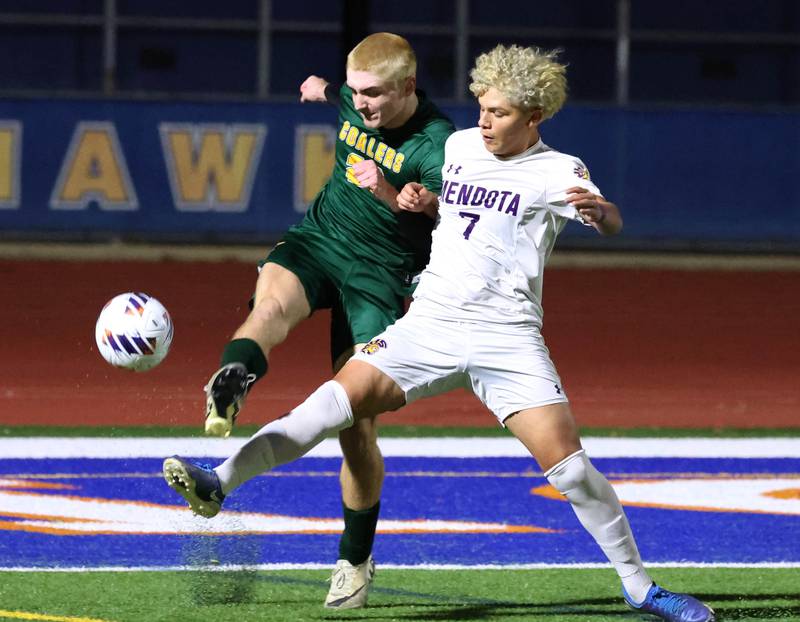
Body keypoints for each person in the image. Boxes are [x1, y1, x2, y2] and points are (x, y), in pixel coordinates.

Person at [165, 44, 715, 622]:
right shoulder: (459, 147)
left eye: (499, 112)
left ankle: (641, 589)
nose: (485, 121)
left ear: (534, 116)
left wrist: (601, 215)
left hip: (507, 336)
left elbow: (609, 216)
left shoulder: (557, 170)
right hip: (431, 322)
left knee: (572, 470)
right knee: (328, 407)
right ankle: (217, 482)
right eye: (482, 107)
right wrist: (410, 199)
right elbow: (440, 211)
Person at [200, 32, 454, 609]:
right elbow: (340, 90)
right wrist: (320, 88)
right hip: (321, 239)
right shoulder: (355, 97)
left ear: (408, 87)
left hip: (379, 275)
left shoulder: (438, 144)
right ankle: (233, 380)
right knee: (270, 305)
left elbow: (457, 220)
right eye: (355, 92)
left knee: (355, 428)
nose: (361, 104)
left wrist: (406, 199)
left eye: (374, 95)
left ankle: (354, 560)